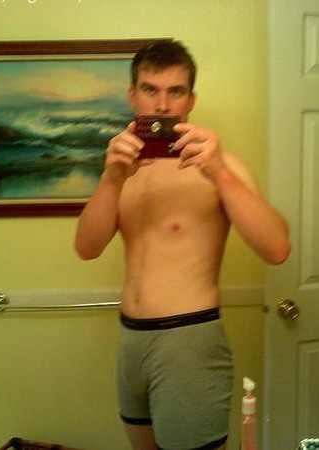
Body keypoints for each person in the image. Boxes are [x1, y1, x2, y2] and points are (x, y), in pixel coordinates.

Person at [74, 41, 290, 450]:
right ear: (132, 95)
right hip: (131, 340)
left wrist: (219, 172)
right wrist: (111, 178)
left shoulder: (221, 166)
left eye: (175, 91)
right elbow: (87, 247)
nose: (162, 104)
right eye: (150, 90)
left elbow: (277, 248)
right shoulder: (122, 171)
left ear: (191, 99)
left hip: (188, 341)